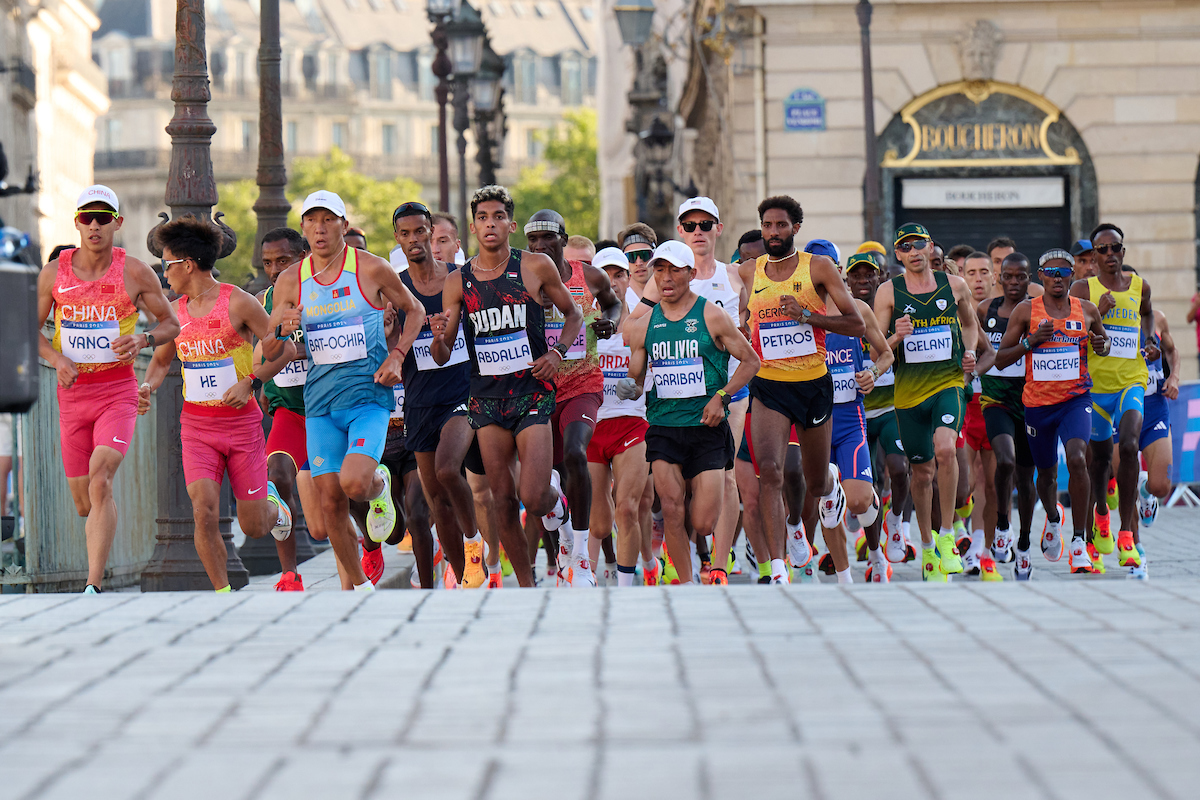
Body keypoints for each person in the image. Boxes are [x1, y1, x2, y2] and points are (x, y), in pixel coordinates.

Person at [267, 190, 426, 592]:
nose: (320, 229)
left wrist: (397, 356)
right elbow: (267, 349)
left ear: (342, 224)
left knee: (354, 484)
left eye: (328, 220)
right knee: (330, 501)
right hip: (319, 405)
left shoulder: (370, 269)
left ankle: (379, 484)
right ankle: (357, 587)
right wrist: (281, 330)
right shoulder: (291, 280)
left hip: (367, 398)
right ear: (304, 228)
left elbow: (416, 311)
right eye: (312, 221)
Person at [432, 184, 583, 587]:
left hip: (531, 392)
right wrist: (440, 336)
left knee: (533, 497)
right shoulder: (457, 281)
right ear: (473, 226)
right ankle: (526, 588)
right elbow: (442, 353)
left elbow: (574, 315)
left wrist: (557, 353)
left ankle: (560, 510)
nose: (490, 224)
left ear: (511, 224)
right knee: (502, 500)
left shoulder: (534, 267)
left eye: (498, 216)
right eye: (482, 218)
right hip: (486, 399)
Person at [36, 185, 180, 593]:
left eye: (103, 217)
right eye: (87, 217)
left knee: (101, 479)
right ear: (77, 223)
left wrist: (144, 340)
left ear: (118, 222)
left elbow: (171, 324)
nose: (95, 225)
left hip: (117, 390)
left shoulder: (134, 271)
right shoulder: (54, 274)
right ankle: (96, 547)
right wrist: (58, 359)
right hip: (73, 393)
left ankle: (92, 585)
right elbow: (28, 331)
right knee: (84, 501)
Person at [139, 216, 293, 591]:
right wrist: (147, 386)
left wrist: (251, 381)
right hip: (197, 427)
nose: (165, 274)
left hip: (240, 425)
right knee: (203, 511)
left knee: (254, 525)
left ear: (187, 264)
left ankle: (275, 507)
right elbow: (160, 362)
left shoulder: (238, 302)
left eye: (167, 264)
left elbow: (283, 349)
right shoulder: (173, 312)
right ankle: (223, 594)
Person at [736, 196, 865, 584]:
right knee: (771, 473)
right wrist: (743, 326)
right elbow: (729, 303)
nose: (773, 232)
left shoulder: (818, 268)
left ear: (796, 228)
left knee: (815, 479)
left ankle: (831, 483)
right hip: (768, 384)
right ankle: (778, 569)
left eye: (781, 225)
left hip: (812, 384)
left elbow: (855, 323)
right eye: (767, 225)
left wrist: (808, 316)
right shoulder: (747, 272)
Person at [619, 240, 760, 585]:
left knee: (703, 523)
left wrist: (723, 398)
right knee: (670, 508)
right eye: (660, 270)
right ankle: (685, 587)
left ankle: (709, 560)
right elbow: (636, 380)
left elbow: (751, 361)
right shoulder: (645, 323)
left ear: (690, 274)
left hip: (706, 427)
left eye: (674, 270)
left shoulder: (711, 314)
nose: (666, 278)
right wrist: (629, 388)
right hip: (664, 427)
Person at [874, 223, 981, 582]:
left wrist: (967, 352)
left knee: (946, 450)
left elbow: (970, 326)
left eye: (920, 244)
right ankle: (928, 546)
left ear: (930, 247)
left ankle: (948, 534)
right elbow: (877, 349)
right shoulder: (889, 292)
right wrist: (896, 336)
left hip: (947, 383)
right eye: (906, 246)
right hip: (907, 395)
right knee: (921, 473)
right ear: (899, 255)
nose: (915, 251)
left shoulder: (955, 286)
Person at [995, 249, 1108, 577]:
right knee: (1044, 476)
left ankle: (1079, 542)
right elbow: (1001, 359)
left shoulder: (1085, 309)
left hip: (1075, 401)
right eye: (1051, 272)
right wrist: (1031, 342)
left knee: (1077, 458)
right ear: (1040, 276)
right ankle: (1048, 523)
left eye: (1064, 272)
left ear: (1072, 275)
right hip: (1038, 406)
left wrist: (1102, 345)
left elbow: (1104, 341)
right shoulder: (1025, 310)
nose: (1057, 278)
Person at [524, 209, 621, 586]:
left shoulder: (588, 276)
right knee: (543, 480)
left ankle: (581, 554)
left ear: (563, 239)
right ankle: (562, 529)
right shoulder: (525, 280)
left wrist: (610, 321)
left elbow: (613, 303)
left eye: (547, 239)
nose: (539, 247)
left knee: (576, 454)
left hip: (583, 384)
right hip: (539, 389)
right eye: (532, 241)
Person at [391, 201, 485, 588]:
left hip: (462, 394)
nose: (414, 239)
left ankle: (474, 542)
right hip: (418, 401)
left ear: (431, 232)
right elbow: (386, 346)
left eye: (420, 231)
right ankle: (463, 580)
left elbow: (485, 329)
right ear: (397, 238)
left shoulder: (459, 278)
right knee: (436, 502)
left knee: (449, 469)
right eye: (405, 233)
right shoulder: (394, 288)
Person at [1071, 223, 1157, 570]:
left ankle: (1126, 536)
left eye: (1114, 248)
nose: (1108, 255)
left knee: (1130, 445)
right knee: (1099, 462)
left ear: (1123, 252)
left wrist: (1149, 341)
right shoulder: (1082, 288)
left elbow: (1147, 313)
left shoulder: (1139, 286)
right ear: (1093, 256)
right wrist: (1099, 315)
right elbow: (1068, 330)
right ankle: (1101, 515)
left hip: (1131, 381)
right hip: (1094, 389)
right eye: (1100, 250)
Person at [586, 247, 658, 586]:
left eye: (619, 275)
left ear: (629, 278)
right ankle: (580, 577)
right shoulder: (580, 323)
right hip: (590, 426)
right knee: (597, 523)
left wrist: (638, 384)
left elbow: (655, 375)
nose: (613, 283)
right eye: (606, 275)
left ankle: (628, 586)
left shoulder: (644, 323)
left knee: (628, 507)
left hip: (632, 422)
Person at [256, 227, 317, 591]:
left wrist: (298, 348)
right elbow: (259, 353)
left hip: (330, 408)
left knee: (329, 516)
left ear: (304, 258)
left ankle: (370, 544)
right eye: (267, 263)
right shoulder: (263, 302)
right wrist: (263, 380)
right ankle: (290, 574)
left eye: (283, 260)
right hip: (289, 411)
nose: (275, 270)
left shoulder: (325, 296)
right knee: (275, 478)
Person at [975, 253, 1038, 579]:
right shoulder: (985, 309)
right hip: (996, 398)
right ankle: (1002, 524)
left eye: (1021, 277)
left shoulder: (1039, 308)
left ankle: (1024, 544)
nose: (1014, 283)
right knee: (1006, 461)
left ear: (1029, 278)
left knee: (1027, 479)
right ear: (1000, 277)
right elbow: (975, 345)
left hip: (1031, 401)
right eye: (1009, 277)